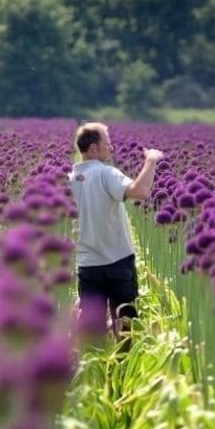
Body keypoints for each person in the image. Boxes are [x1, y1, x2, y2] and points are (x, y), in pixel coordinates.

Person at [69, 122, 163, 339]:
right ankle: (124, 370)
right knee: (127, 330)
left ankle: (94, 370)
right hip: (117, 262)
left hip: (87, 265)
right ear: (94, 147)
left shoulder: (69, 179)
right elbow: (139, 191)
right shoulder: (106, 173)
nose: (111, 148)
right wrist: (150, 161)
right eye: (107, 143)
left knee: (91, 334)